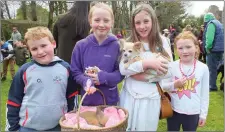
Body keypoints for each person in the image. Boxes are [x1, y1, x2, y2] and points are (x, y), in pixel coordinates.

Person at [5, 26, 79, 131]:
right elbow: (13, 101)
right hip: (28, 128)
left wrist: (71, 120)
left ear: (54, 44)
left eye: (43, 45)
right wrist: (12, 128)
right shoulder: (24, 71)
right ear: (29, 50)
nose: (40, 52)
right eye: (34, 49)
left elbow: (72, 96)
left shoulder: (66, 69)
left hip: (58, 126)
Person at [119, 3, 172, 131]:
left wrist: (140, 76)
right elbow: (123, 69)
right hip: (130, 95)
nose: (142, 26)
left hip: (150, 97)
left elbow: (168, 71)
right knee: (127, 127)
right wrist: (146, 64)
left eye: (146, 21)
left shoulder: (162, 41)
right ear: (133, 24)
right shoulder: (130, 42)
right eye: (138, 23)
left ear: (153, 21)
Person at [70, 2, 124, 106]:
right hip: (88, 101)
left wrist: (103, 77)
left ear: (112, 22)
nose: (101, 24)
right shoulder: (80, 46)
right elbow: (75, 71)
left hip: (110, 101)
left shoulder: (117, 46)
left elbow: (121, 73)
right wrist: (86, 81)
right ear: (90, 21)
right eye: (97, 20)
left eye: (106, 20)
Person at [162, 31, 209, 131]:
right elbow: (162, 86)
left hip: (193, 112)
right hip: (174, 110)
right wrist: (174, 84)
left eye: (188, 47)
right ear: (176, 50)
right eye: (180, 48)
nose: (184, 51)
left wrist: (203, 114)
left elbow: (205, 94)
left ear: (196, 48)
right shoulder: (172, 66)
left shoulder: (203, 68)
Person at [203, 12, 224, 91]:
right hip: (221, 50)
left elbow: (209, 39)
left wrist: (207, 48)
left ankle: (212, 87)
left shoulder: (211, 24)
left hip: (213, 50)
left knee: (211, 69)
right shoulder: (219, 23)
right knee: (218, 68)